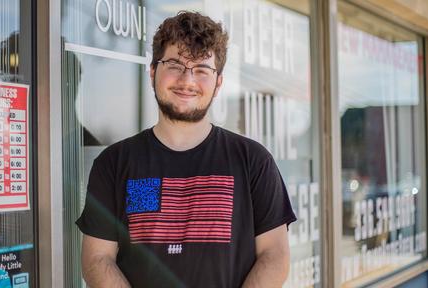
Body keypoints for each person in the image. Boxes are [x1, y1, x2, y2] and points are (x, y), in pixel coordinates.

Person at [76, 11, 297, 288]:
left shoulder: (253, 160)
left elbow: (274, 255)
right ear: (153, 71)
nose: (187, 80)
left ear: (218, 83)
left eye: (202, 70)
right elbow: (97, 259)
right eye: (175, 65)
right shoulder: (114, 163)